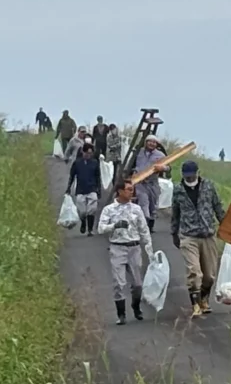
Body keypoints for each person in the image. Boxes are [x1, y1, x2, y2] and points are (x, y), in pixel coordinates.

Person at [170, 160, 226, 317]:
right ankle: (195, 304)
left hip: (207, 234)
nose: (189, 178)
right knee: (195, 272)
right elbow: (176, 213)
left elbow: (218, 206)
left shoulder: (208, 186)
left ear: (197, 173)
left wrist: (226, 226)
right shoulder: (178, 190)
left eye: (191, 175)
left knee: (209, 275)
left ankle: (204, 299)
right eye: (186, 176)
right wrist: (174, 233)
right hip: (188, 236)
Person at [97, 179, 154, 324]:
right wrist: (114, 226)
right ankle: (121, 314)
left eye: (132, 189)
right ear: (120, 191)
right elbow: (101, 228)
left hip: (134, 247)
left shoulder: (136, 209)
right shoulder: (109, 209)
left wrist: (149, 247)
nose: (131, 192)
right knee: (119, 283)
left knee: (137, 284)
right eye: (128, 189)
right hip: (117, 247)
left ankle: (136, 306)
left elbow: (143, 229)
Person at [66, 139, 104, 236]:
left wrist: (99, 190)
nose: (89, 155)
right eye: (87, 153)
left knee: (92, 210)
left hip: (92, 189)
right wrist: (68, 188)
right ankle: (83, 222)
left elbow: (98, 177)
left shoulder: (95, 163)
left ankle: (90, 230)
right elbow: (72, 176)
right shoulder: (77, 163)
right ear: (83, 152)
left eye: (90, 153)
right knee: (82, 211)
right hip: (80, 190)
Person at [131, 136, 171, 224]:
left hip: (152, 183)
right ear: (146, 142)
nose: (152, 144)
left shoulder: (160, 155)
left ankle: (150, 222)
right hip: (140, 183)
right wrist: (134, 173)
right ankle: (144, 223)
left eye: (154, 142)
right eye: (150, 141)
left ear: (156, 144)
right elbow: (132, 165)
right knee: (143, 202)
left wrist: (162, 168)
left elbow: (168, 168)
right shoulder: (139, 152)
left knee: (152, 205)